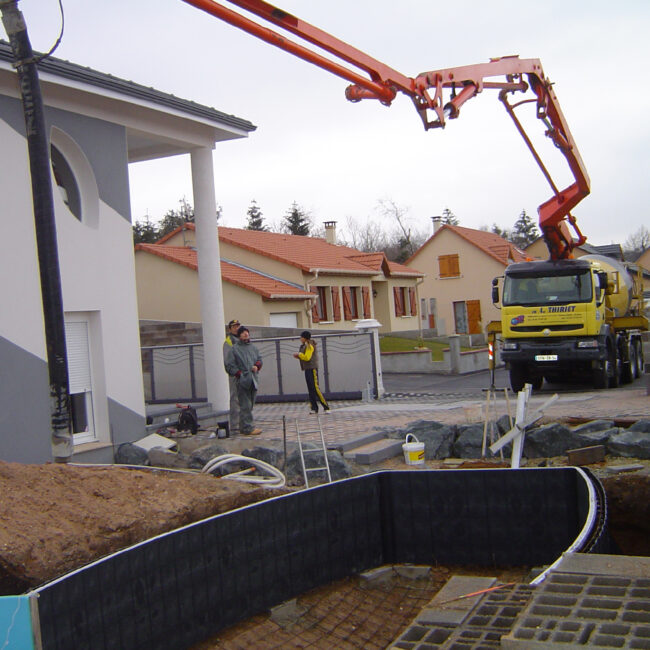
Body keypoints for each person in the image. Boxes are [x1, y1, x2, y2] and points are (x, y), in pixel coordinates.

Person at [225, 326, 263, 435]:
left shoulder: (253, 348)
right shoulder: (234, 349)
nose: (246, 334)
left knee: (250, 405)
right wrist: (239, 374)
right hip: (242, 381)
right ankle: (247, 428)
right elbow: (230, 366)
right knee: (245, 405)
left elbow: (259, 360)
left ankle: (244, 426)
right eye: (243, 333)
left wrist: (257, 366)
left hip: (253, 379)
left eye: (247, 332)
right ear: (239, 335)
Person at [293, 330, 330, 414]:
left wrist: (299, 355)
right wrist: (299, 356)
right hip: (307, 368)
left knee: (315, 388)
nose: (300, 339)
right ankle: (314, 407)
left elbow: (307, 357)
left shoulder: (309, 346)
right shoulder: (304, 346)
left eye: (301, 337)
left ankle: (326, 406)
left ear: (305, 338)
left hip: (312, 368)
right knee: (310, 388)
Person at [223, 319, 241, 435]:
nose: (236, 328)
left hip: (245, 374)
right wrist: (235, 371)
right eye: (234, 326)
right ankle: (235, 426)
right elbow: (228, 360)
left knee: (245, 399)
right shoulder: (229, 342)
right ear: (230, 329)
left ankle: (244, 424)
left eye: (238, 326)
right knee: (235, 399)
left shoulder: (242, 340)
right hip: (235, 374)